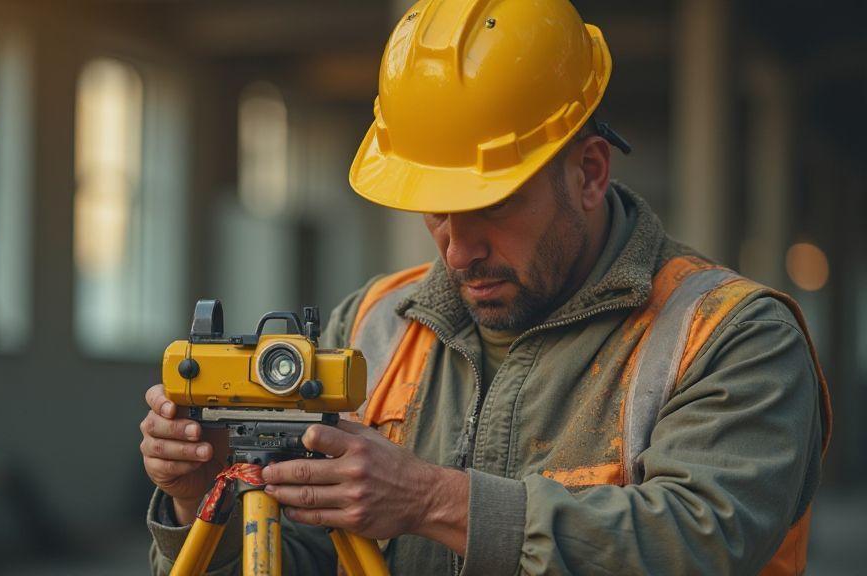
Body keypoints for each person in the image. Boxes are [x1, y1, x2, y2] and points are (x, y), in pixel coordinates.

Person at [140, 1, 832, 574]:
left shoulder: (731, 338)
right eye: (436, 210)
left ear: (590, 173)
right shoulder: (373, 326)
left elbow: (696, 545)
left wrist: (434, 501)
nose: (457, 249)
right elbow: (307, 558)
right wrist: (203, 501)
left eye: (493, 208)